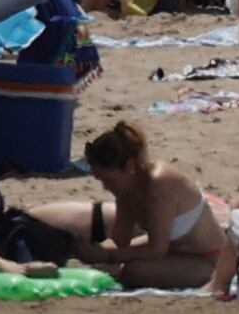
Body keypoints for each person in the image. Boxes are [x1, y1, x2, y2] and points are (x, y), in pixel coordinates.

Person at [66, 122, 225, 289]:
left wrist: (107, 255)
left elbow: (157, 249)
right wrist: (90, 250)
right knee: (101, 265)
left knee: (135, 273)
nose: (107, 187)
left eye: (110, 181)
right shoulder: (127, 190)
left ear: (129, 166)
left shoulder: (158, 185)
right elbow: (119, 240)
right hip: (173, 250)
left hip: (207, 258)